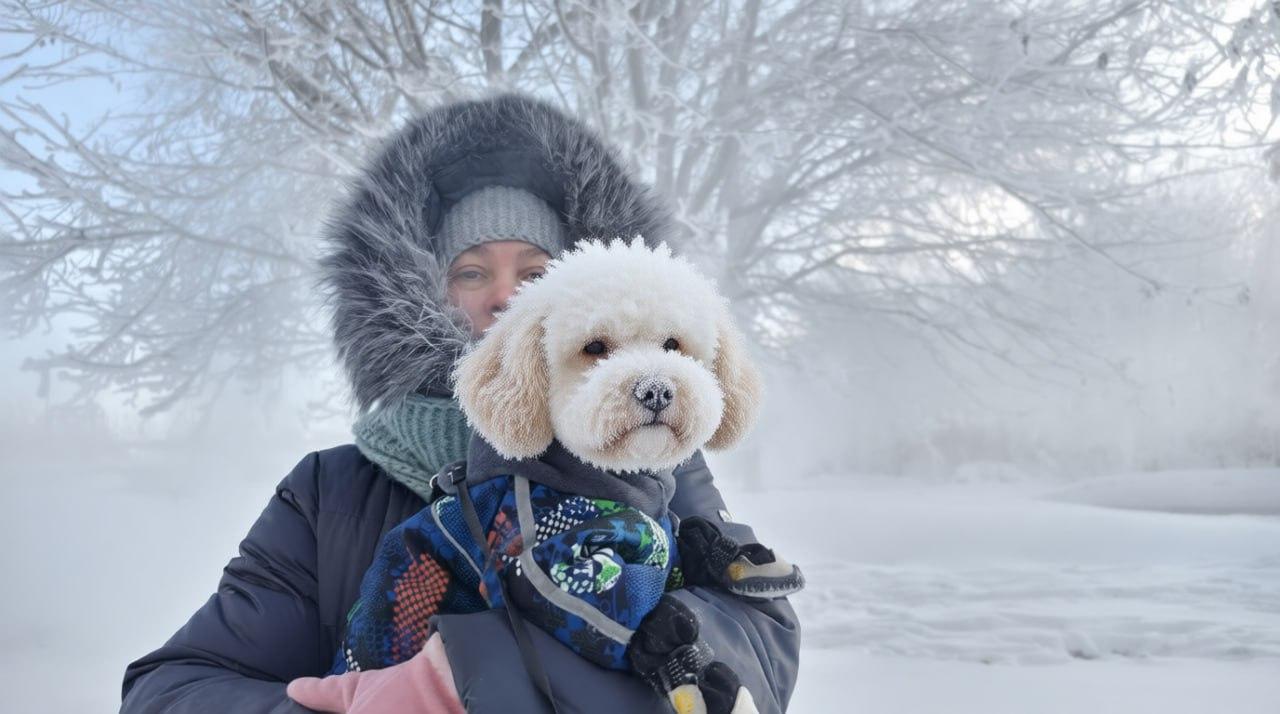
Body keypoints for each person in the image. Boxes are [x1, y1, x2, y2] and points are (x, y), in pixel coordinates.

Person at [120, 92, 801, 714]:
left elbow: (757, 645)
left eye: (537, 273)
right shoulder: (327, 494)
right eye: (470, 271)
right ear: (419, 290)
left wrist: (470, 677)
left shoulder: (662, 470)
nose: (504, 296)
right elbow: (171, 689)